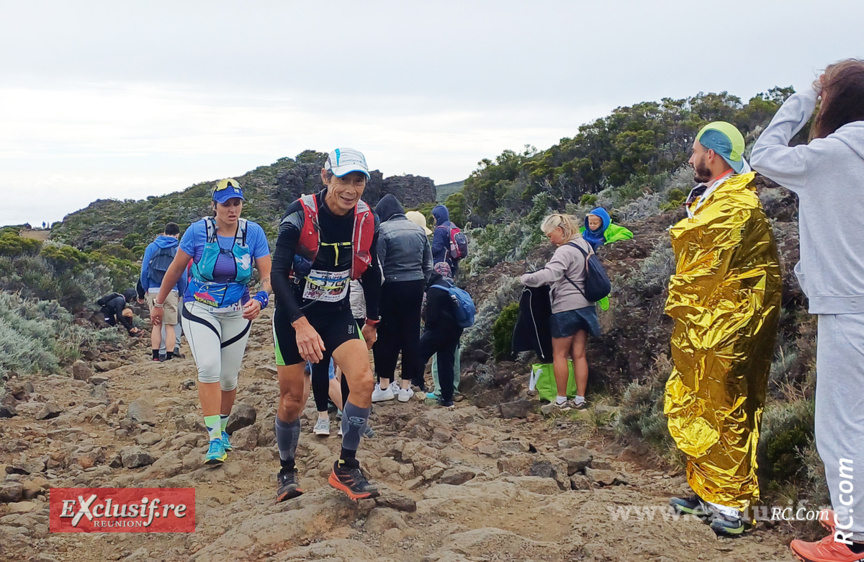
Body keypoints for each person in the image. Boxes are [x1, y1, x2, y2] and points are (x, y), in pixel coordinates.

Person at [751, 59, 864, 561]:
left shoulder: (829, 155)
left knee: (840, 428)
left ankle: (851, 538)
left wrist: (803, 94)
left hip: (849, 309)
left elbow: (763, 154)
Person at [664, 122, 782, 537]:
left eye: (696, 152)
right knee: (701, 402)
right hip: (705, 323)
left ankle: (733, 507)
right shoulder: (715, 197)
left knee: (728, 405)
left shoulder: (735, 205)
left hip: (730, 326)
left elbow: (717, 267)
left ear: (711, 156)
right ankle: (707, 490)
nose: (692, 159)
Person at [270, 147, 382, 502]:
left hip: (336, 311)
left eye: (358, 181)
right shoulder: (300, 214)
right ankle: (287, 471)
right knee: (292, 400)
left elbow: (372, 272)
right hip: (295, 315)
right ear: (325, 177)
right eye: (343, 180)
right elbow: (276, 273)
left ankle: (346, 466)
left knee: (363, 381)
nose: (350, 189)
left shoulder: (366, 218)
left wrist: (373, 321)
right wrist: (300, 325)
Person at [151, 178, 272, 465]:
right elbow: (176, 268)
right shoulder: (197, 232)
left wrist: (262, 299)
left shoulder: (253, 233)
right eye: (226, 204)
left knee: (229, 377)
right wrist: (158, 303)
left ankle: (223, 426)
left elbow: (267, 276)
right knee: (208, 367)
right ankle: (215, 438)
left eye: (236, 203)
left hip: (237, 311)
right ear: (214, 206)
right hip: (199, 308)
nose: (232, 209)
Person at [520, 214, 600, 410]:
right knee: (579, 354)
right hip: (586, 307)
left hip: (565, 309)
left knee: (560, 355)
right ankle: (580, 399)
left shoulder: (564, 250)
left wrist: (526, 278)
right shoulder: (585, 245)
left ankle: (561, 399)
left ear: (561, 230)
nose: (550, 239)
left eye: (550, 235)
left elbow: (551, 274)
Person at [371, 194, 432, 403]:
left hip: (391, 287)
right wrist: (422, 283)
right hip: (415, 285)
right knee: (411, 335)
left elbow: (377, 267)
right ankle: (406, 387)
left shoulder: (383, 230)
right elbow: (428, 264)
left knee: (387, 336)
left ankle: (385, 385)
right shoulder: (418, 230)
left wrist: (377, 293)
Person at [415, 262, 464, 408]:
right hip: (454, 330)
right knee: (446, 363)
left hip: (438, 330)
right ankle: (447, 399)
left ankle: (417, 383)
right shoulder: (448, 286)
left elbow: (431, 317)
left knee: (418, 353)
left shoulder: (434, 291)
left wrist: (427, 332)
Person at [140, 222, 187, 361]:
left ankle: (155, 356)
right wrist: (181, 292)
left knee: (156, 324)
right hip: (172, 290)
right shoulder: (179, 249)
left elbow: (144, 271)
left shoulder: (152, 247)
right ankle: (169, 355)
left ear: (164, 232)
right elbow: (182, 274)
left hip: (153, 289)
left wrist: (146, 288)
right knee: (170, 325)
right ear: (178, 235)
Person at [431, 204, 463, 276]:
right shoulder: (452, 226)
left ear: (438, 217)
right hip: (453, 262)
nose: (434, 220)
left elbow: (436, 248)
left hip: (442, 264)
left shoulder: (440, 230)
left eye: (434, 218)